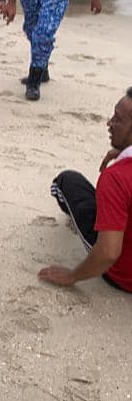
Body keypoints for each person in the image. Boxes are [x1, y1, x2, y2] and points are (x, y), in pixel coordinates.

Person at [39, 89, 132, 293]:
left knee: (66, 181)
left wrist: (72, 276)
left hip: (122, 275)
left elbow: (109, 252)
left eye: (118, 119)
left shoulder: (116, 178)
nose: (109, 123)